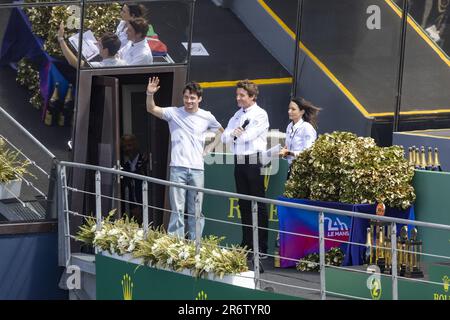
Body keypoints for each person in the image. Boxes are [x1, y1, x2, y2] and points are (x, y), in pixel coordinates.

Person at [145, 77, 224, 240]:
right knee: (177, 210)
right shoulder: (174, 112)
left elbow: (221, 131)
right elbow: (151, 108)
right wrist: (149, 93)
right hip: (177, 168)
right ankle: (176, 246)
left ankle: (196, 246)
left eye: (193, 98)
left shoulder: (206, 116)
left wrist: (209, 148)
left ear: (199, 99)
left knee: (196, 210)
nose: (189, 101)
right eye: (186, 97)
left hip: (197, 169)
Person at [221, 79, 269, 258]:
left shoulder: (261, 114)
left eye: (242, 95)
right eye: (237, 95)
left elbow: (247, 136)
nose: (238, 98)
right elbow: (226, 137)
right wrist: (235, 133)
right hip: (239, 160)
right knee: (243, 203)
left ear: (252, 97)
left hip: (254, 160)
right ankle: (247, 243)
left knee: (258, 204)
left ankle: (261, 247)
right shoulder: (237, 114)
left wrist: (236, 134)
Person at [279, 97, 320, 178]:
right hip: (287, 168)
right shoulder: (289, 126)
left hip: (300, 170)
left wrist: (288, 152)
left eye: (293, 109)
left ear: (302, 112)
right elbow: (288, 146)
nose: (289, 111)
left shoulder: (307, 128)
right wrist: (282, 151)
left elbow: (308, 153)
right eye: (289, 109)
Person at [57, 22, 125, 68]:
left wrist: (61, 39)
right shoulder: (124, 64)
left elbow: (74, 63)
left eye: (99, 45)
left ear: (106, 50)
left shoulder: (98, 66)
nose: (96, 44)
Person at [120, 134, 149, 225]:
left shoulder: (145, 160)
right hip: (133, 205)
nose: (128, 149)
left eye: (130, 145)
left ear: (135, 145)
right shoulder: (125, 165)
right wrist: (134, 206)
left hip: (146, 203)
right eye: (124, 147)